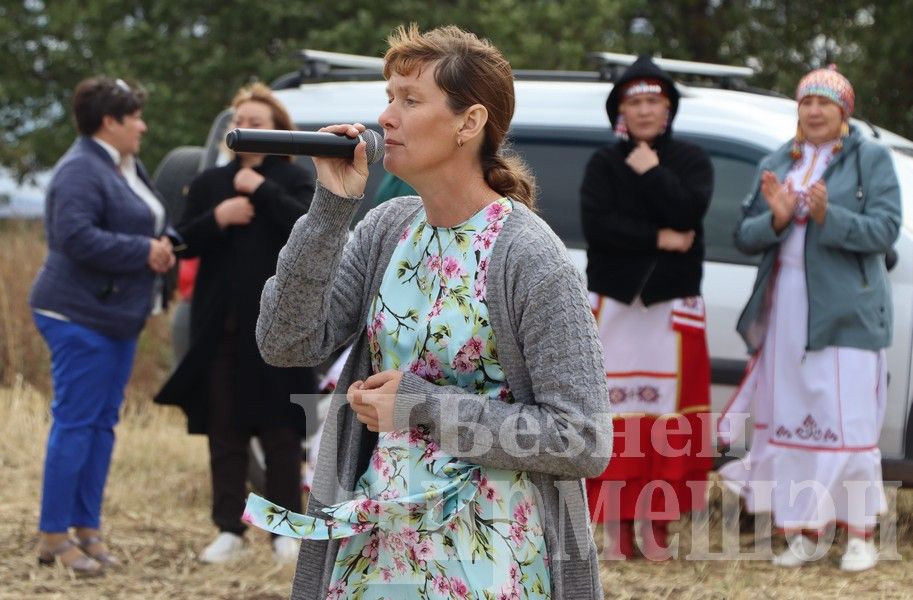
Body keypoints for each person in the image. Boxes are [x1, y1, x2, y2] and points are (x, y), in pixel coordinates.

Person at [246, 24, 611, 600]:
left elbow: (582, 439)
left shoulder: (530, 256)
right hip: (377, 536)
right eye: (389, 97)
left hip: (489, 551)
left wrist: (422, 407)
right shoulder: (387, 228)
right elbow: (285, 342)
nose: (386, 117)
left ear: (470, 123)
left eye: (410, 100)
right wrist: (328, 213)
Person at [718, 66, 901, 571]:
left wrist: (828, 216)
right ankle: (803, 531)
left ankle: (861, 535)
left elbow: (885, 231)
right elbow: (746, 235)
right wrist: (778, 217)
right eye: (806, 102)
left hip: (847, 314)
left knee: (846, 423)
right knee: (794, 421)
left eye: (825, 103)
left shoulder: (870, 159)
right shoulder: (778, 160)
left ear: (845, 111)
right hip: (787, 310)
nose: (815, 111)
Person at [154, 83, 317, 565]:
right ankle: (228, 529)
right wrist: (219, 217)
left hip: (279, 331)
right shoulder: (209, 184)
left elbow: (311, 230)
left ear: (278, 131)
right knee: (224, 431)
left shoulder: (294, 176)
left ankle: (284, 530)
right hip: (220, 328)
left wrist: (262, 191)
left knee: (282, 432)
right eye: (237, 119)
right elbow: (181, 241)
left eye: (256, 120)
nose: (243, 127)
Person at [29, 76, 175, 574]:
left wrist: (168, 240)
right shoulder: (79, 170)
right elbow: (72, 236)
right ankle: (53, 534)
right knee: (76, 423)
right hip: (77, 315)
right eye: (135, 116)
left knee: (101, 425)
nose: (143, 125)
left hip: (115, 316)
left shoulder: (125, 165)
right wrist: (144, 252)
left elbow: (149, 220)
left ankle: (86, 526)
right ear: (109, 122)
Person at [580, 54, 714, 560]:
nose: (644, 110)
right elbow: (599, 228)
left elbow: (689, 212)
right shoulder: (603, 163)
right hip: (615, 307)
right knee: (617, 420)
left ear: (669, 109)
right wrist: (658, 236)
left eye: (654, 100)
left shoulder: (691, 161)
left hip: (671, 309)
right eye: (634, 101)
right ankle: (616, 532)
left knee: (669, 421)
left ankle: (658, 529)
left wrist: (653, 171)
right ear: (620, 110)